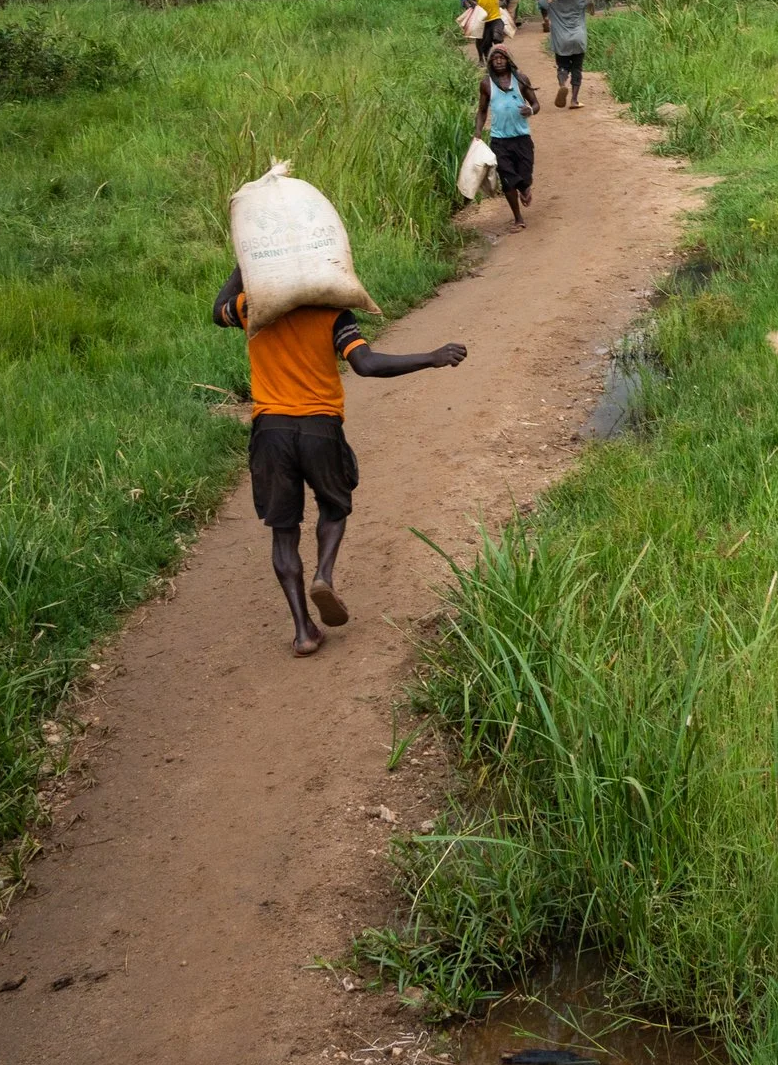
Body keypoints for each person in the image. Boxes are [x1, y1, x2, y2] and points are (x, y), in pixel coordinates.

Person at [210, 270, 465, 657]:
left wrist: (244, 266)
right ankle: (323, 574)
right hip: (320, 428)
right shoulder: (332, 314)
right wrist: (432, 357)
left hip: (271, 432)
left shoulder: (254, 309)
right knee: (333, 506)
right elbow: (366, 363)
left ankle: (303, 632)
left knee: (283, 530)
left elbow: (217, 311)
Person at [477, 44, 540, 229]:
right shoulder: (486, 84)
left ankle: (525, 186)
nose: (498, 61)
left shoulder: (520, 79)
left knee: (525, 176)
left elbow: (536, 104)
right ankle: (518, 218)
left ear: (509, 60)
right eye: (494, 58)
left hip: (522, 137)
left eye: (502, 58)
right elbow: (481, 111)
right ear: (490, 62)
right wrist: (478, 133)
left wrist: (530, 110)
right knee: (507, 179)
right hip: (499, 140)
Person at [545, 0, 589, 108]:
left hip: (561, 40)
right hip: (578, 38)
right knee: (577, 69)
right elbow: (592, 6)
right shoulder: (582, 0)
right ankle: (574, 100)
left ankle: (562, 84)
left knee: (562, 66)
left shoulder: (552, 2)